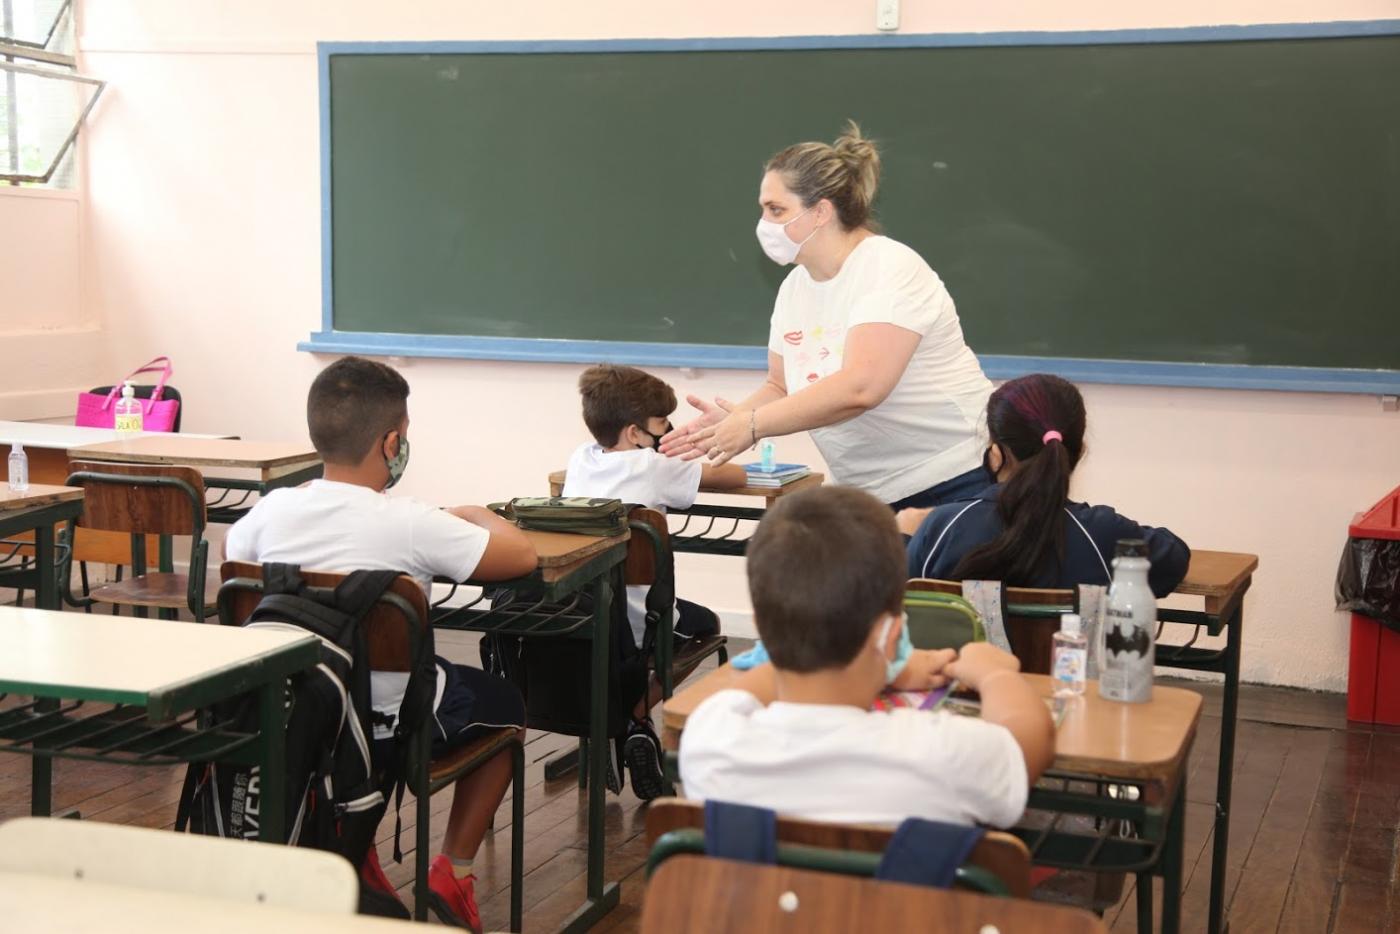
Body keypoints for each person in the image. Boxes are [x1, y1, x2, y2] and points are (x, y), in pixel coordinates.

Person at [225, 356, 537, 932]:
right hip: (386, 728)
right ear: (392, 442)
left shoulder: (259, 520)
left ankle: (356, 841)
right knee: (505, 704)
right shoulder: (411, 522)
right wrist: (473, 514)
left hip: (283, 717)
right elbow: (521, 557)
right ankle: (453, 872)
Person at [661, 121, 993, 510]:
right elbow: (781, 386)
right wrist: (735, 417)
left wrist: (753, 425)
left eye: (776, 209)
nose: (764, 223)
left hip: (956, 476)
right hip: (870, 491)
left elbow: (862, 387)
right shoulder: (795, 287)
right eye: (763, 209)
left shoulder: (887, 266)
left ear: (820, 212)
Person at [679, 486, 1054, 826]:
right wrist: (995, 675)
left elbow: (759, 680)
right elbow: (1027, 742)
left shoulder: (710, 737)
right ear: (891, 636)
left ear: (761, 623)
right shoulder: (941, 754)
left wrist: (885, 664)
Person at [562, 364, 746, 799]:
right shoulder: (653, 467)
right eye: (662, 423)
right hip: (639, 619)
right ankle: (633, 717)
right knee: (705, 625)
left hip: (584, 610)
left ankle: (613, 725)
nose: (670, 430)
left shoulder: (579, 458)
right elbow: (733, 477)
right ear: (633, 432)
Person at [902, 373, 1190, 597]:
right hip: (1074, 675)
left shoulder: (943, 528)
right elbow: (1175, 557)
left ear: (995, 455)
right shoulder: (1103, 532)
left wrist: (906, 537)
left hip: (968, 674)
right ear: (1078, 451)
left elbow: (893, 600)